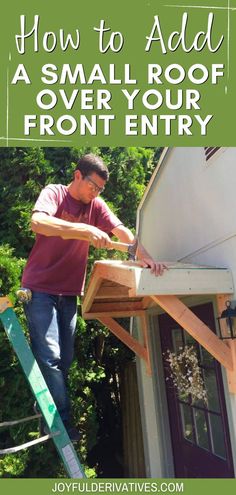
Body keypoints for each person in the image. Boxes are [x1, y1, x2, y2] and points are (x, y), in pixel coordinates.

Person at [22, 153, 166, 442]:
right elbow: (37, 223)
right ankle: (61, 422)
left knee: (66, 359)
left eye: (101, 190)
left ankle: (47, 415)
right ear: (78, 175)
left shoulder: (96, 206)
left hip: (69, 293)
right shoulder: (55, 193)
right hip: (40, 289)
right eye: (93, 186)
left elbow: (121, 231)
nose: (96, 193)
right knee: (50, 357)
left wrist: (146, 258)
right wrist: (84, 230)